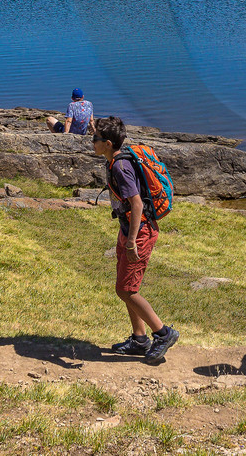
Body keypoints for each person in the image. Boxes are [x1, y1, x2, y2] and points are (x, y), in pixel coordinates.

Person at [93, 116, 178, 364]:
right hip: (129, 228)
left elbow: (137, 203)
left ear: (107, 143)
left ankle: (163, 333)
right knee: (127, 287)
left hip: (138, 232)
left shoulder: (120, 167)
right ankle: (140, 339)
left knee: (126, 290)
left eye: (95, 139)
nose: (92, 142)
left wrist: (131, 242)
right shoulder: (115, 157)